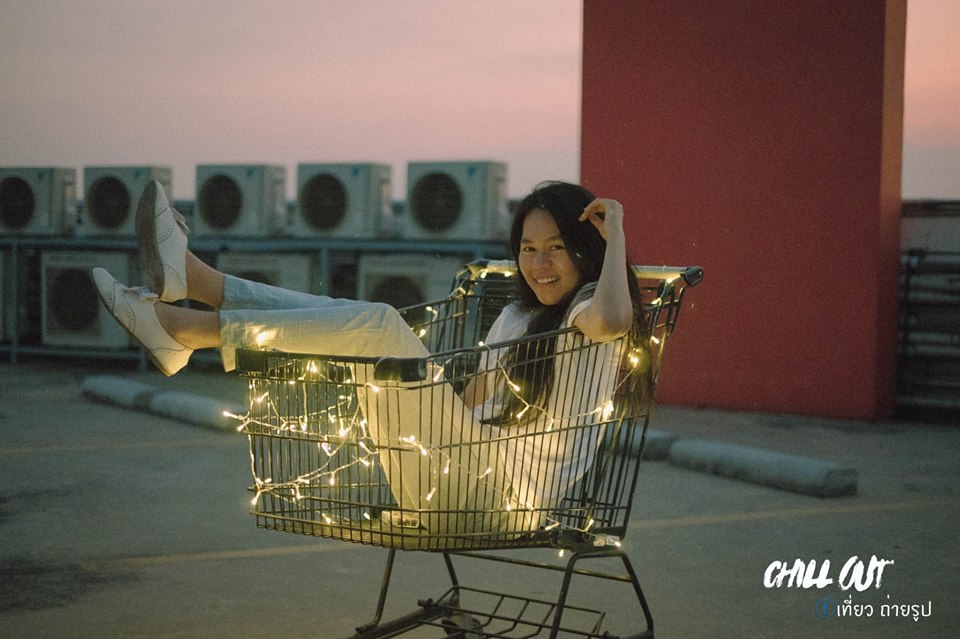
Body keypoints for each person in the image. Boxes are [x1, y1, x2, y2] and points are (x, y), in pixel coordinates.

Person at [92, 179, 652, 534]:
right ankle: (196, 286)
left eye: (557, 248)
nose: (539, 264)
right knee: (362, 323)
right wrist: (410, 393)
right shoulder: (516, 318)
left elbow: (615, 319)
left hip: (500, 504)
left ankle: (188, 323)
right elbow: (466, 404)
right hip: (445, 476)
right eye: (528, 249)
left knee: (379, 324)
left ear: (587, 251)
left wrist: (618, 236)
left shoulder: (587, 314)